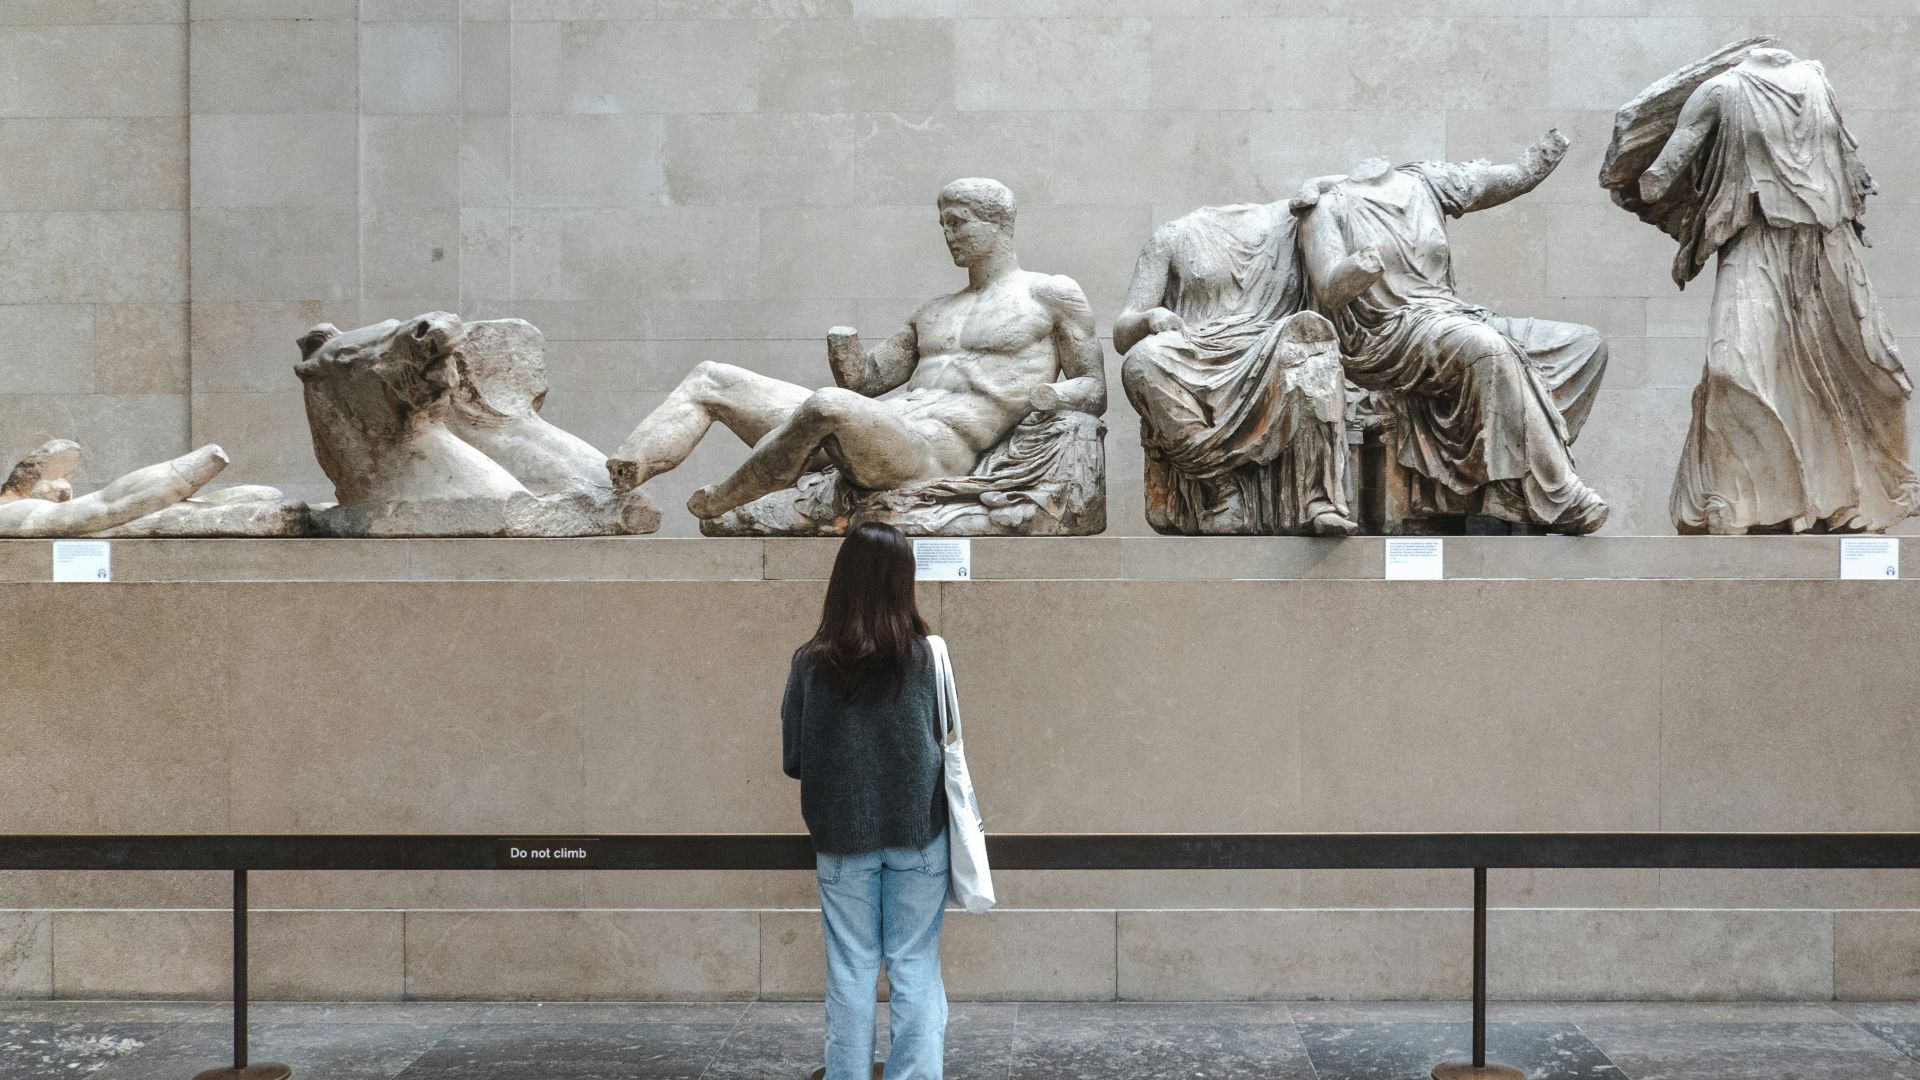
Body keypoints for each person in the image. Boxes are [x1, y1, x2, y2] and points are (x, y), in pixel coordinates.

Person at [608, 178, 1105, 523]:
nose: (948, 236)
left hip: (934, 451)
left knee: (828, 405)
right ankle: (622, 476)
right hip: (873, 429)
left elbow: (1094, 388)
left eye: (958, 223)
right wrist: (842, 343)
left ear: (997, 224)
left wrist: (1051, 398)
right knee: (712, 377)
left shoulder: (1049, 294)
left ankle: (724, 500)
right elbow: (865, 382)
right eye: (943, 225)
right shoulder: (934, 309)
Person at [1634, 47, 1917, 534]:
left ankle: (1847, 498)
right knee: (1732, 368)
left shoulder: (1817, 81)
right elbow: (1657, 177)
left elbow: (1847, 164)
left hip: (1828, 247)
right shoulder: (1720, 91)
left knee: (1869, 374)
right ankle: (1738, 500)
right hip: (1756, 242)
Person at [1294, 133, 1612, 534]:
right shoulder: (1325, 205)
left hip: (1452, 315)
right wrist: (1360, 267)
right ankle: (1557, 491)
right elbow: (1329, 288)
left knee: (1584, 345)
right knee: (1488, 349)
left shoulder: (1426, 182)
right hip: (1387, 332)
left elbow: (1514, 176)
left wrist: (1548, 151)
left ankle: (1511, 481)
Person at [783, 521, 950, 1080]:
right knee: (915, 965)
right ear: (903, 582)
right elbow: (944, 739)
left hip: (841, 840)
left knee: (851, 969)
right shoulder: (928, 657)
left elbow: (794, 760)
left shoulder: (810, 661)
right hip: (920, 835)